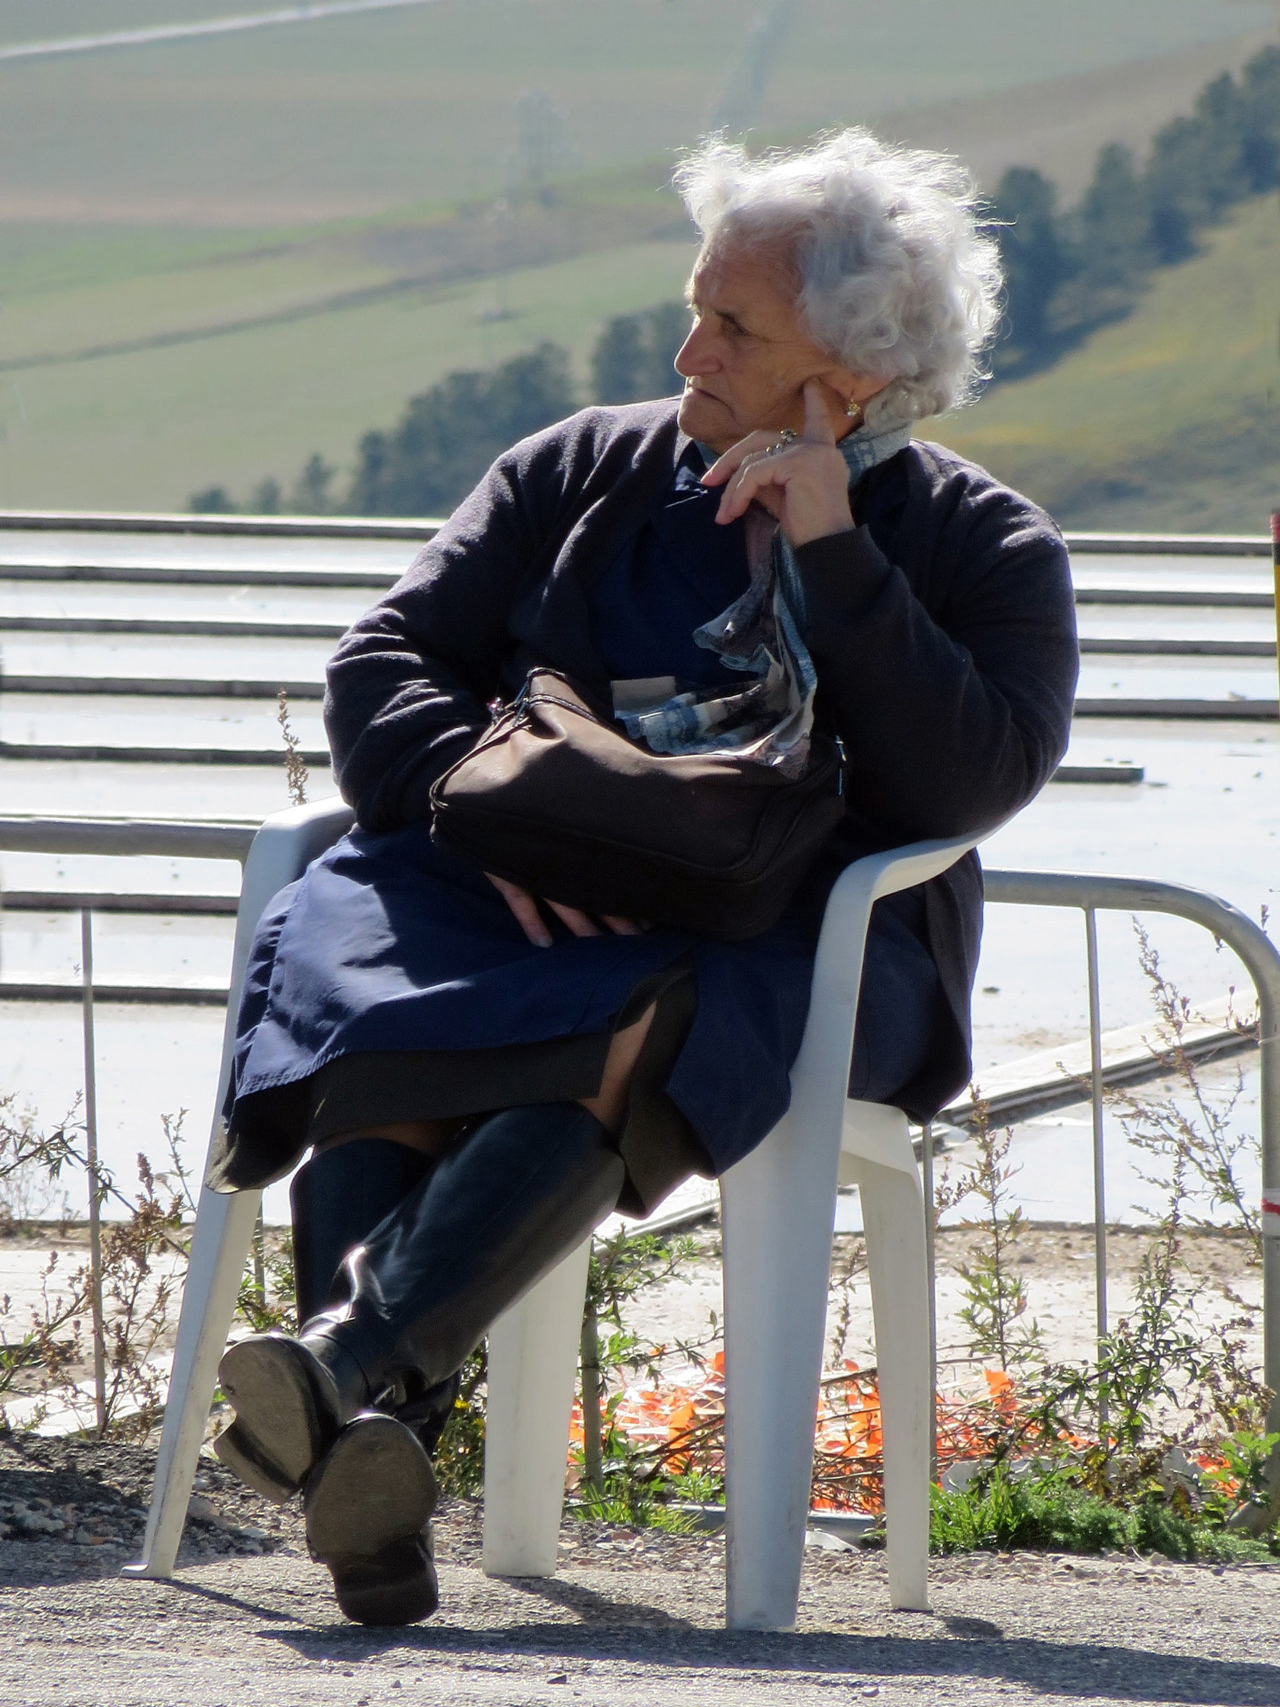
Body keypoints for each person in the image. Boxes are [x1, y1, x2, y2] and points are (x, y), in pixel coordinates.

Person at [208, 127, 1078, 1625]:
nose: (686, 348)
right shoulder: (582, 470)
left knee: (628, 1007)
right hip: (507, 891)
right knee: (384, 965)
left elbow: (965, 783)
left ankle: (348, 1369)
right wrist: (494, 823)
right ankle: (370, 1440)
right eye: (694, 303)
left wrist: (834, 551)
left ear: (852, 375)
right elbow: (382, 664)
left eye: (734, 327)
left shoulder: (982, 545)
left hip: (804, 951)